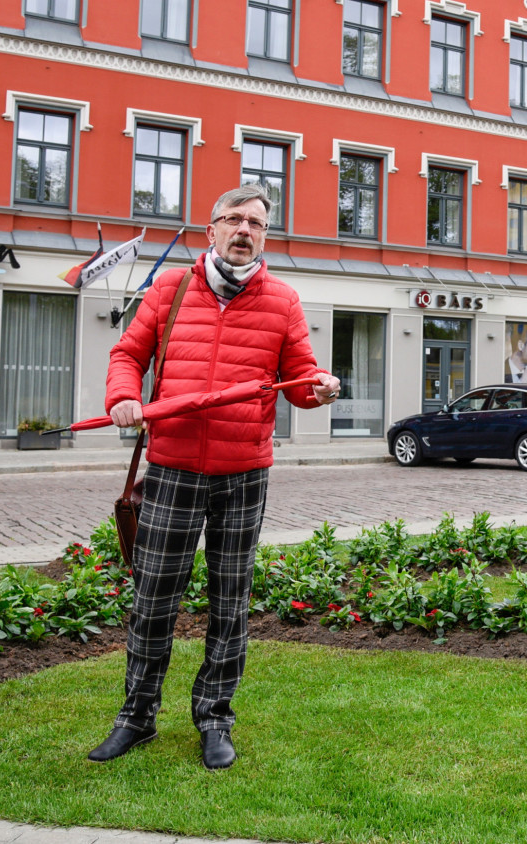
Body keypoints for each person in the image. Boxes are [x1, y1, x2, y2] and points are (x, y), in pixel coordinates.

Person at [87, 185, 340, 771]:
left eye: (255, 223)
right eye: (234, 219)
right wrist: (123, 396)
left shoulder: (283, 301)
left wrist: (320, 390)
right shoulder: (170, 289)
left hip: (244, 472)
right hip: (172, 467)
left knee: (230, 602)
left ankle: (214, 719)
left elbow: (300, 380)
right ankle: (137, 717)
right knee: (153, 599)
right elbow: (128, 355)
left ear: (264, 236)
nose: (243, 230)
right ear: (212, 229)